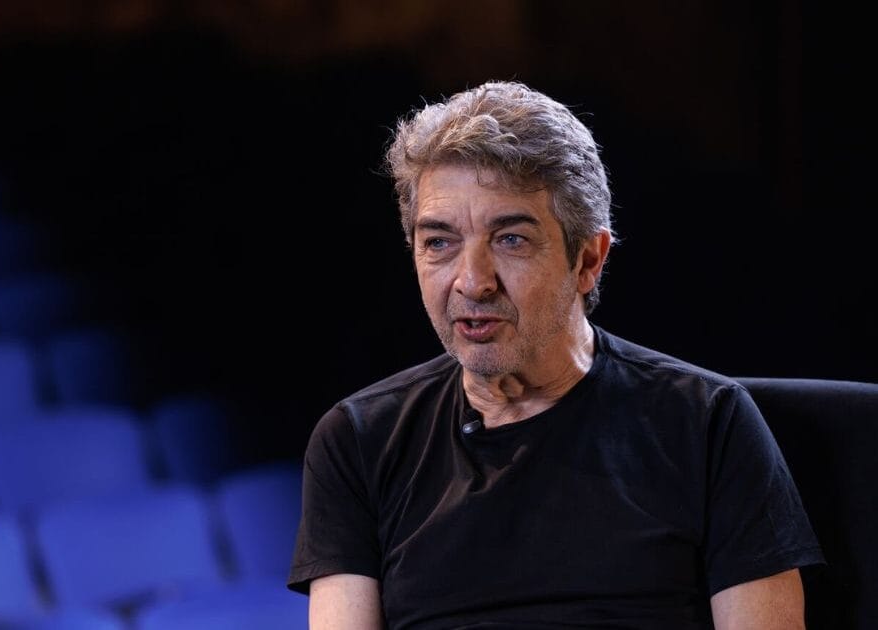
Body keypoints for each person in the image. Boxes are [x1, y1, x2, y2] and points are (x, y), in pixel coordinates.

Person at [286, 80, 824, 629]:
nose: (472, 281)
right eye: (439, 242)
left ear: (588, 260)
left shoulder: (709, 425)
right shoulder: (359, 441)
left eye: (511, 239)